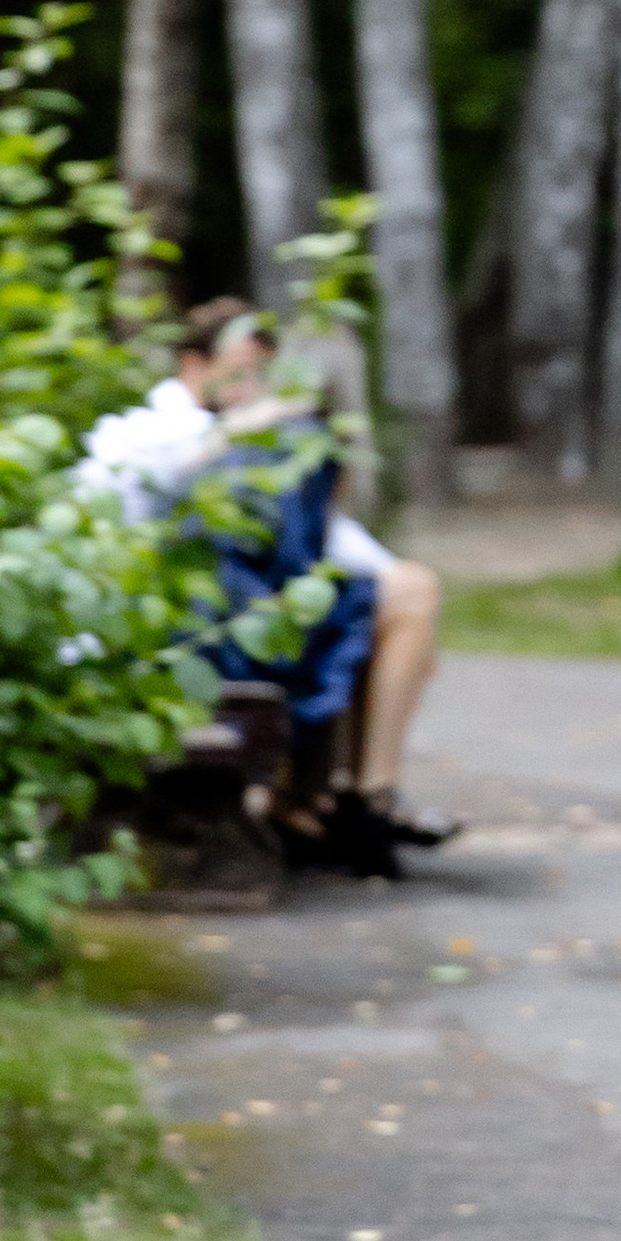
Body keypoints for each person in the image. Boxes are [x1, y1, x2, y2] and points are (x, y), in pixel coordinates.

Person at [78, 298, 454, 865]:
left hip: (242, 617)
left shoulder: (269, 438)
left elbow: (332, 543)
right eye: (240, 366)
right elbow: (143, 497)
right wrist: (238, 435)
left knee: (406, 599)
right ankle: (322, 800)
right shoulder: (147, 432)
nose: (252, 382)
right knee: (362, 619)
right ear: (193, 364)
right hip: (174, 635)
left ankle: (361, 798)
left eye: (262, 369)